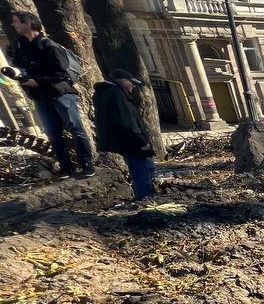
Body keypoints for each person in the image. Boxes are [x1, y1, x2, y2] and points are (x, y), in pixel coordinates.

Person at [7, 11, 95, 176]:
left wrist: (38, 81)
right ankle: (66, 167)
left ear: (28, 23)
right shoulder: (22, 45)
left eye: (16, 21)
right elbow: (21, 66)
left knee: (75, 129)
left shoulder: (48, 45)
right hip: (40, 96)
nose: (13, 24)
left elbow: (62, 73)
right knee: (53, 133)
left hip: (61, 94)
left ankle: (87, 164)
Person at [91, 68, 154, 199]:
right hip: (133, 142)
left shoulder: (105, 94)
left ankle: (143, 198)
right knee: (144, 171)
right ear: (124, 81)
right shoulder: (117, 95)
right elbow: (128, 122)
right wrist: (142, 142)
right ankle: (146, 199)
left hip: (124, 142)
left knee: (138, 171)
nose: (133, 86)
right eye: (132, 82)